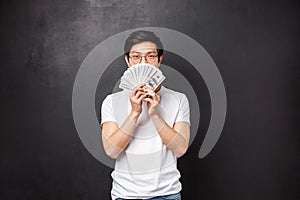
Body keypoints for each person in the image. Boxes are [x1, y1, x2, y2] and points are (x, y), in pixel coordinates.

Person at [101, 30, 190, 200]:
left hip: (167, 194)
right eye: (136, 57)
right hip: (125, 195)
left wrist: (155, 114)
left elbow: (180, 149)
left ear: (159, 59)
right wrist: (135, 112)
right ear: (128, 60)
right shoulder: (111, 101)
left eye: (150, 56)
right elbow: (112, 151)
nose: (143, 62)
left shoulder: (178, 99)